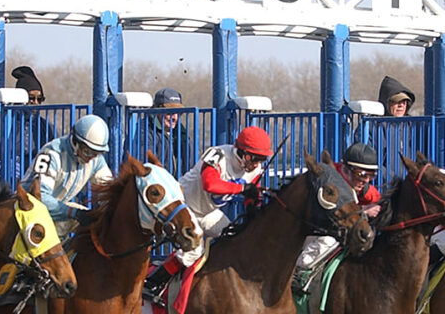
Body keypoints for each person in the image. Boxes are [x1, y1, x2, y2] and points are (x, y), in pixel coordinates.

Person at [143, 125, 272, 299]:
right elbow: (210, 184)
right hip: (183, 208)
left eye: (261, 159)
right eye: (253, 157)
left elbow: (251, 192)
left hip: (209, 212)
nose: (256, 164)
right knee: (194, 250)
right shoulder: (218, 155)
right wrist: (242, 188)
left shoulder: (256, 170)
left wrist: (252, 205)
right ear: (240, 152)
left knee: (234, 240)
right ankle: (153, 283)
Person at [293, 142, 382, 291]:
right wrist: (363, 211)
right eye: (361, 174)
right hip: (313, 231)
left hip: (342, 230)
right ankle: (298, 272)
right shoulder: (329, 182)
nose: (366, 180)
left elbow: (377, 198)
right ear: (346, 169)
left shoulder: (362, 187)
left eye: (371, 175)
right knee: (327, 242)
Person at [20, 114, 113, 237]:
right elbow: (40, 197)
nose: (91, 158)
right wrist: (74, 213)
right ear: (75, 142)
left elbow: (108, 190)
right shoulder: (52, 153)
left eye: (96, 153)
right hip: (28, 211)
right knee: (78, 215)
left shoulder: (96, 159)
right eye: (87, 151)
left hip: (56, 210)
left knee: (95, 221)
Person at [11, 66, 55, 176]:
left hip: (35, 184)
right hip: (6, 186)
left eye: (39, 99)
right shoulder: (1, 123)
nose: (35, 103)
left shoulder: (46, 127)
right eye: (31, 98)